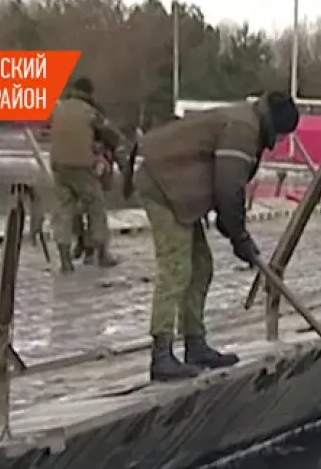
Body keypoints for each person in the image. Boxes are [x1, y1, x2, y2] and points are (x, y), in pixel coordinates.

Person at [135, 91, 300, 381]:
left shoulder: (248, 122)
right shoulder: (243, 129)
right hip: (163, 185)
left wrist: (235, 234)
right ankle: (161, 355)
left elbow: (225, 194)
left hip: (181, 192)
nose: (278, 142)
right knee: (177, 267)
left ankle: (195, 344)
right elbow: (228, 189)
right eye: (281, 135)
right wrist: (240, 239)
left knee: (201, 267)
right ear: (274, 124)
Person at [48, 76, 125, 273]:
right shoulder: (90, 112)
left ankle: (65, 261)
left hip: (58, 166)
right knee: (96, 207)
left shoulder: (57, 109)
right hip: (83, 166)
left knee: (63, 211)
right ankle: (102, 255)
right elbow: (112, 135)